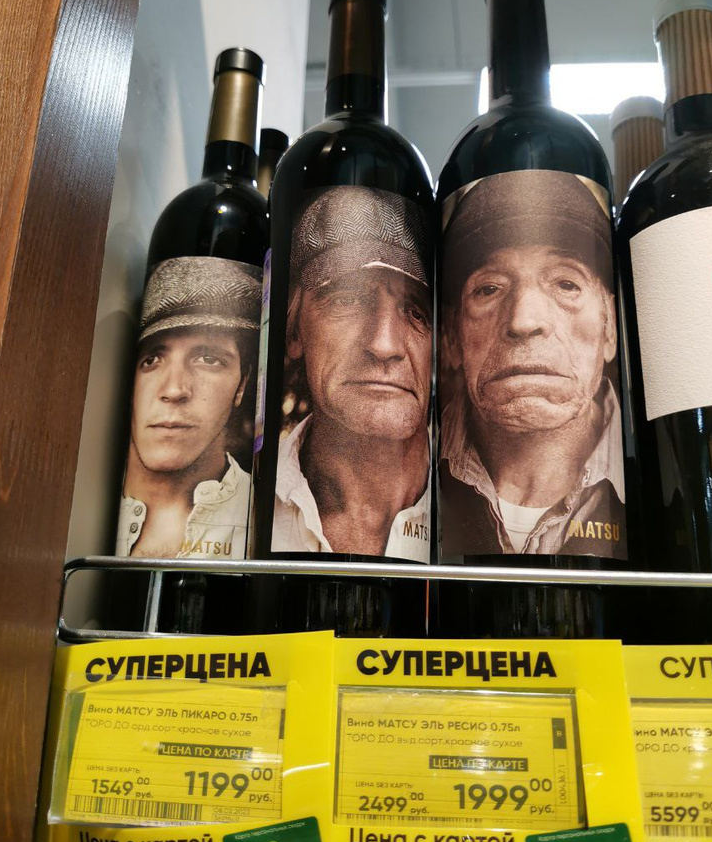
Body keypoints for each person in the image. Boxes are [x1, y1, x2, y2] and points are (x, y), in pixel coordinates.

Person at [439, 170, 626, 558]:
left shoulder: (651, 474)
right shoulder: (415, 478)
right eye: (489, 289)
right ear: (452, 338)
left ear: (609, 327)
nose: (523, 320)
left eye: (566, 284)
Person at [272, 186, 433, 563]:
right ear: (295, 333)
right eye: (347, 299)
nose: (384, 344)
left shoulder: (473, 510)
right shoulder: (252, 493)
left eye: (416, 311)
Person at [117, 257, 261, 559]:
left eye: (209, 359)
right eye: (151, 360)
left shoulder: (276, 513)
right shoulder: (80, 499)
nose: (174, 390)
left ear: (242, 385)